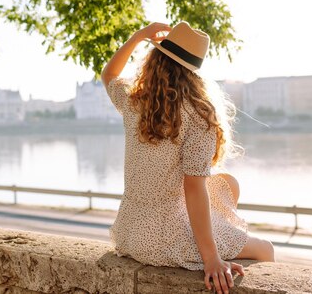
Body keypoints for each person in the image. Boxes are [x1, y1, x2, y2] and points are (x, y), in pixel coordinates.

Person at [101, 22, 275, 294]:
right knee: (266, 250)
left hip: (129, 232)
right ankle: (215, 249)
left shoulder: (134, 101)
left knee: (225, 184)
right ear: (193, 72)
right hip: (165, 238)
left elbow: (109, 74)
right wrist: (212, 260)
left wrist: (138, 36)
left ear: (154, 61)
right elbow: (193, 189)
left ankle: (217, 243)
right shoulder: (200, 115)